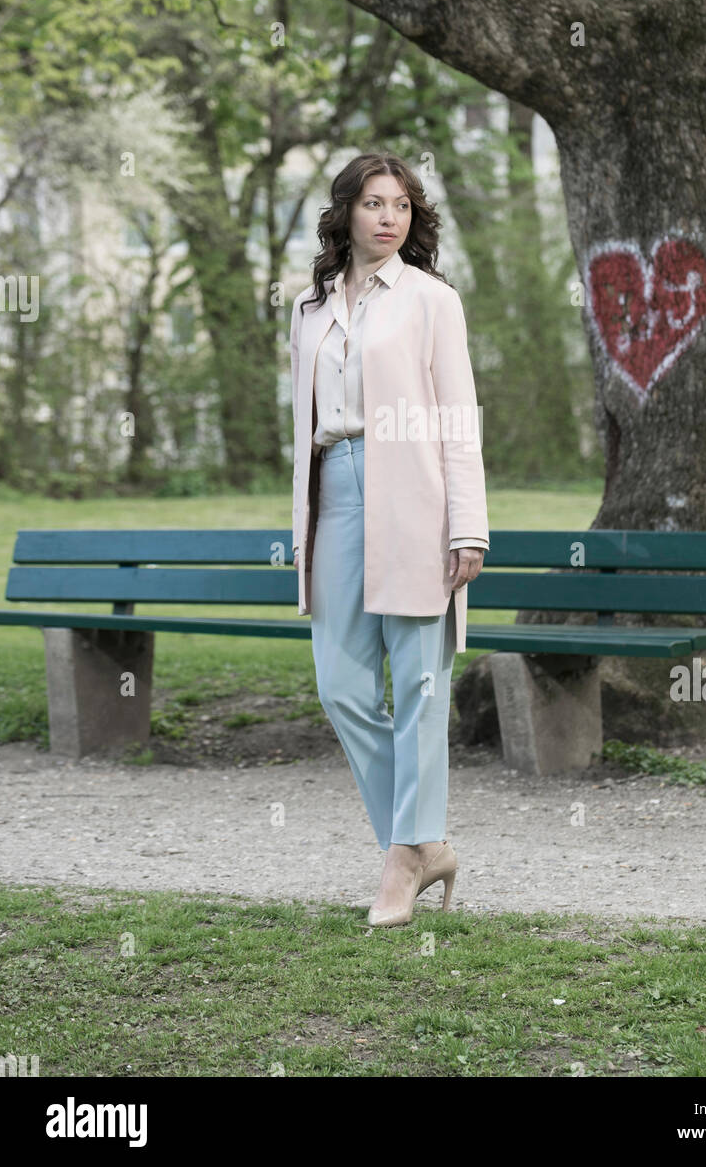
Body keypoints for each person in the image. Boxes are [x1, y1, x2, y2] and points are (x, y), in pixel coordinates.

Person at [289, 152, 489, 927]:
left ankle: (404, 861)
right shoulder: (308, 308)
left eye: (400, 205)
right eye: (374, 203)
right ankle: (423, 841)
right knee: (340, 686)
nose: (388, 217)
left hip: (413, 490)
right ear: (346, 214)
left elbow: (457, 419)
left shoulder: (432, 300)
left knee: (419, 686)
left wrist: (466, 523)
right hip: (332, 488)